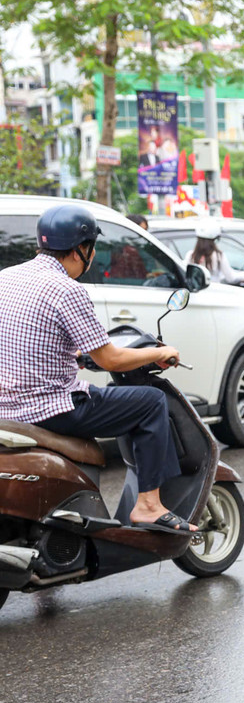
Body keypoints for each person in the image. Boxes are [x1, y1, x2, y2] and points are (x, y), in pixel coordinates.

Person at [0, 205, 194, 533]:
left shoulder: (6, 277)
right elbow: (111, 360)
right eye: (92, 248)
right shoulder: (68, 290)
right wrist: (159, 352)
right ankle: (148, 505)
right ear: (81, 249)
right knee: (150, 402)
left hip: (7, 408)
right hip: (51, 408)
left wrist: (75, 356)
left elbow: (28, 338)